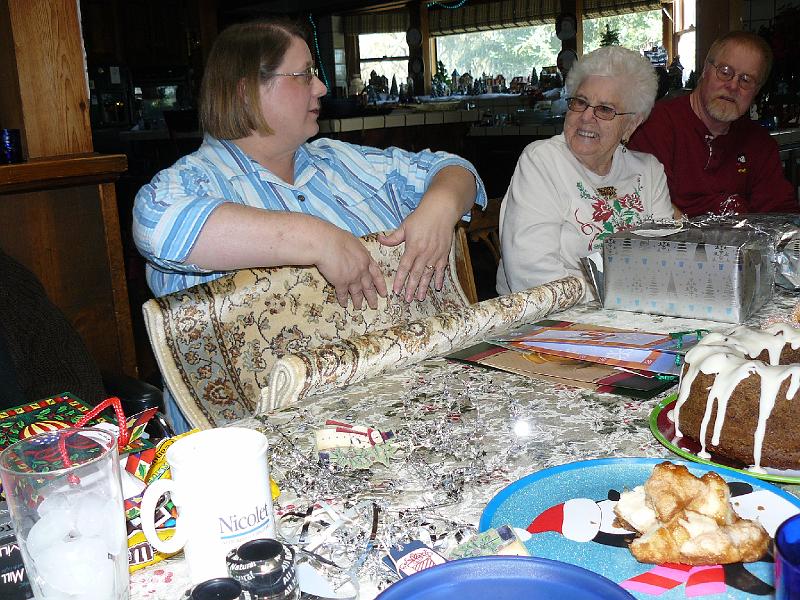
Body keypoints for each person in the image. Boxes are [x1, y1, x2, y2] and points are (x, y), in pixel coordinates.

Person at [133, 19, 485, 431]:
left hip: (401, 410)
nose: (320, 88)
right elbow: (155, 224)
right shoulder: (195, 181)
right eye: (303, 75)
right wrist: (314, 237)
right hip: (261, 440)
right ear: (245, 90)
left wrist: (439, 209)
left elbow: (454, 169)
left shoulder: (338, 159)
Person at [496, 46, 674, 298]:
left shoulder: (648, 172)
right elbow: (532, 281)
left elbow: (664, 259)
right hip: (550, 326)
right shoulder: (542, 161)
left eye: (605, 109)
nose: (586, 117)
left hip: (634, 317)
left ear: (631, 124)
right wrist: (624, 291)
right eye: (580, 102)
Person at [629, 31, 797, 217]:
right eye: (725, 72)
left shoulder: (760, 144)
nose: (733, 86)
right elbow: (647, 206)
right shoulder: (655, 125)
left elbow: (782, 214)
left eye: (746, 80)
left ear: (756, 91)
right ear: (705, 70)